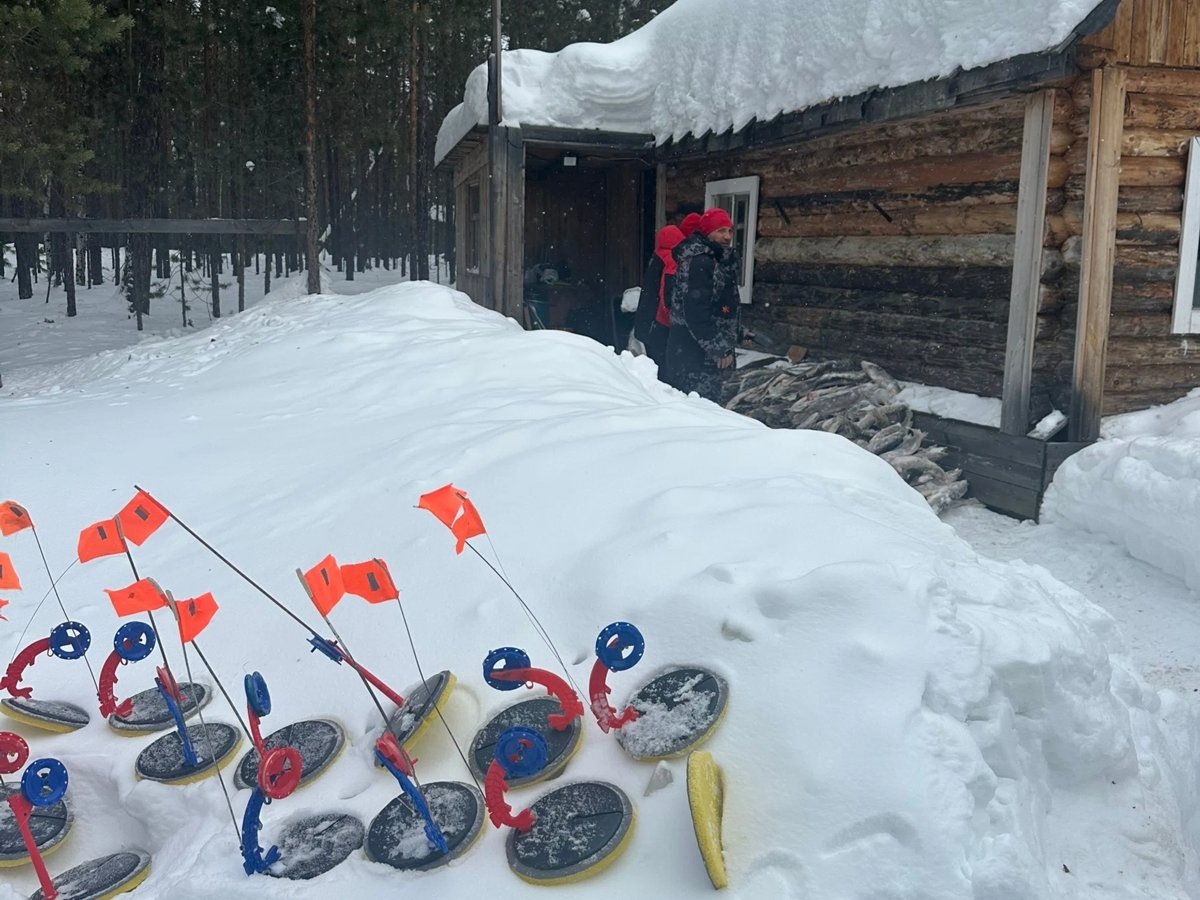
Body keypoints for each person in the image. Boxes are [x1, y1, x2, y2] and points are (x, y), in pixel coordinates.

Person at [664, 207, 741, 401]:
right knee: (702, 416)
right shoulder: (700, 262)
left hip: (702, 354)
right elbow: (695, 312)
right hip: (695, 358)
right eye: (720, 231)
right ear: (707, 232)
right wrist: (719, 348)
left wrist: (737, 330)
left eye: (730, 230)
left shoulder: (715, 259)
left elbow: (718, 306)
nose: (727, 236)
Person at [633, 225, 684, 366]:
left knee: (654, 365)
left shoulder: (658, 255)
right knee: (665, 369)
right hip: (660, 324)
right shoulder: (672, 260)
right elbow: (667, 294)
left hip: (648, 320)